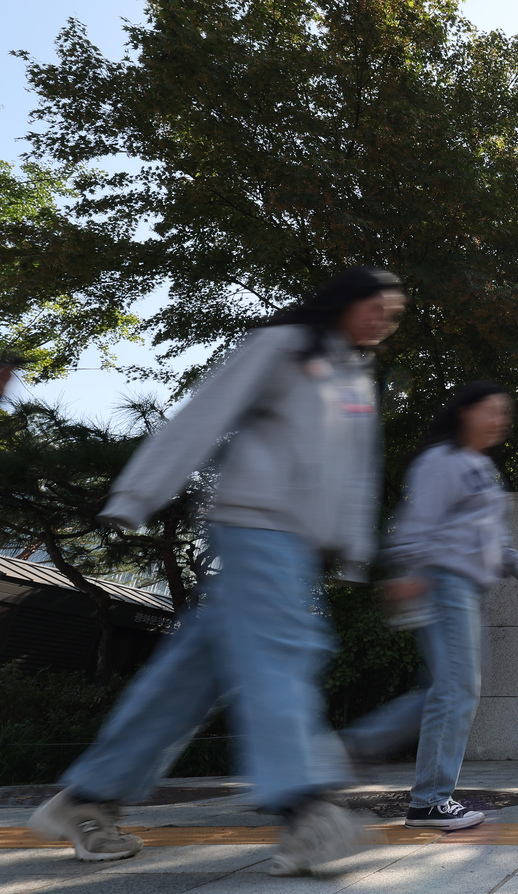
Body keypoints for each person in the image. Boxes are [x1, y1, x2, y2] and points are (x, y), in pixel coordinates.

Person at [28, 267, 406, 876]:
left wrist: (354, 549)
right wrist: (137, 495)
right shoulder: (281, 345)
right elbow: (204, 415)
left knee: (189, 677)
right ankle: (306, 810)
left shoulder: (354, 379)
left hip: (295, 543)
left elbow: (361, 471)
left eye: (394, 313)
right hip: (255, 524)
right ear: (345, 300)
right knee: (284, 651)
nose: (385, 318)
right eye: (378, 304)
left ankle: (87, 799)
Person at [340, 382, 518, 830]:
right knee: (456, 689)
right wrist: (410, 572)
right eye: (491, 411)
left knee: (447, 689)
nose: (499, 421)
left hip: (466, 588)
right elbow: (419, 522)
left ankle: (357, 746)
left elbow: (485, 531)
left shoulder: (479, 467)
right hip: (442, 582)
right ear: (464, 413)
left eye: (504, 413)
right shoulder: (442, 461)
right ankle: (428, 800)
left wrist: (513, 563)